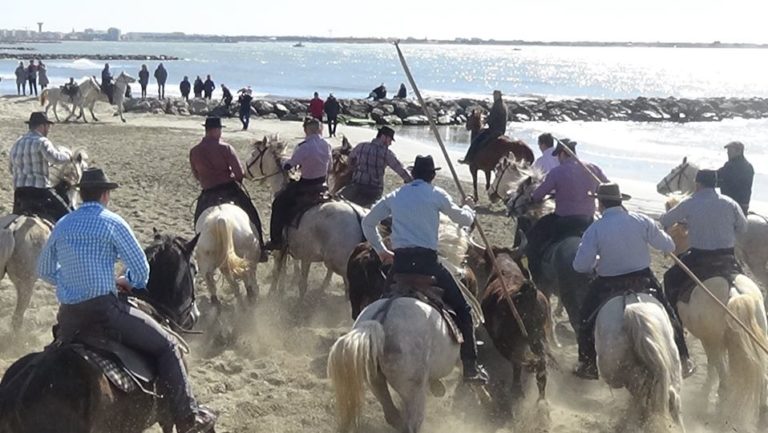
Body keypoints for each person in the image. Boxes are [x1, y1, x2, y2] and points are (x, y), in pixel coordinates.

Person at [37, 167, 218, 433]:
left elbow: (43, 269)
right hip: (105, 312)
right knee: (167, 346)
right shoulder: (112, 222)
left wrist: (68, 281)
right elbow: (142, 271)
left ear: (82, 194)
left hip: (69, 317)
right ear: (105, 195)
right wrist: (125, 282)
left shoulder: (64, 223)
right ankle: (188, 417)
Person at [361, 155, 488, 383]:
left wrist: (381, 250)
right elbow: (464, 220)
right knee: (464, 309)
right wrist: (469, 206)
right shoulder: (437, 194)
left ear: (412, 173)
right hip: (428, 263)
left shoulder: (396, 195)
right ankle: (470, 367)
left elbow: (367, 222)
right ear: (433, 175)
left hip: (399, 263)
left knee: (380, 304)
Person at [572, 182, 694, 379]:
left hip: (608, 283)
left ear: (600, 204)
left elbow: (580, 266)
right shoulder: (641, 221)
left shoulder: (595, 229)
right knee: (670, 316)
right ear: (620, 201)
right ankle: (684, 358)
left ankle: (587, 364)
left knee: (586, 318)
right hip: (643, 280)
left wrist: (596, 262)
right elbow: (668, 245)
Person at [661, 169, 747, 321]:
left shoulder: (690, 202)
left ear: (697, 183)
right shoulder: (730, 202)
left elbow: (666, 220)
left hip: (700, 258)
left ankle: (675, 322)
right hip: (728, 258)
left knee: (669, 279)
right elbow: (743, 228)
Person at [525, 139, 608, 279]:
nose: (558, 159)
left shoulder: (557, 172)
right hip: (588, 220)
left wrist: (532, 198)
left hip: (564, 220)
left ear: (564, 153)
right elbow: (606, 186)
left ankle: (535, 273)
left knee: (533, 238)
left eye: (558, 156)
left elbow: (539, 194)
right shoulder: (593, 168)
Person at [190, 117, 267, 262]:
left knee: (197, 220)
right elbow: (238, 174)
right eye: (219, 129)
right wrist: (232, 176)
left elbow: (196, 175)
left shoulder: (194, 151)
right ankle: (261, 248)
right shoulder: (225, 148)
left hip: (208, 193)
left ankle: (198, 249)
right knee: (252, 212)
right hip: (229, 190)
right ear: (216, 130)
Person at [263, 117, 332, 251]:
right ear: (320, 129)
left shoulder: (303, 147)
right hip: (323, 184)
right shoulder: (327, 145)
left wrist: (283, 162)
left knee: (278, 203)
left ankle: (276, 240)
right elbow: (330, 167)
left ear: (306, 130)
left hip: (306, 185)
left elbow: (289, 165)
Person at [9, 112, 73, 223]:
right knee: (69, 216)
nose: (48, 129)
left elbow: (11, 169)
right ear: (42, 126)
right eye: (48, 126)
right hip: (40, 191)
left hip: (20, 194)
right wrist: (69, 156)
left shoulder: (17, 143)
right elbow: (55, 158)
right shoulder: (42, 142)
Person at [338, 126, 412, 207]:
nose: (390, 143)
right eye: (390, 140)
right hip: (374, 190)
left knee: (337, 200)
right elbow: (400, 169)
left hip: (356, 185)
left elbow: (350, 159)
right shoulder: (386, 153)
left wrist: (354, 169)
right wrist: (411, 181)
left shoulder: (361, 146)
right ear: (383, 137)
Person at [459, 90, 507, 164]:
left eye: (495, 95)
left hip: (495, 130)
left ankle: (468, 158)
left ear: (499, 96)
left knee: (476, 140)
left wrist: (487, 121)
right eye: (494, 95)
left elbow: (493, 118)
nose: (494, 97)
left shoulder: (497, 105)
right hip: (501, 129)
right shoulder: (503, 105)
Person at [717, 141, 754, 214]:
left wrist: (703, 177)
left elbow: (719, 177)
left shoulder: (732, 166)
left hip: (733, 204)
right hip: (743, 204)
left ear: (739, 151)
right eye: (728, 150)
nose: (728, 152)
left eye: (730, 150)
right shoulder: (748, 166)